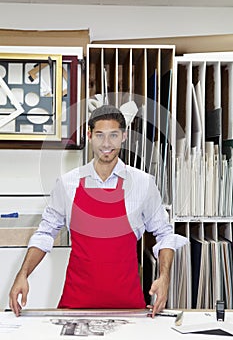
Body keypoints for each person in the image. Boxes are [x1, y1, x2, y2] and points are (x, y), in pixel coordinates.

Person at [9, 104, 188, 317]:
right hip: (75, 307)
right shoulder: (67, 184)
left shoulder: (143, 184)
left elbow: (165, 234)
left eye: (113, 135)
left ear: (124, 136)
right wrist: (23, 274)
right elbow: (45, 233)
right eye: (100, 135)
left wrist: (164, 277)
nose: (106, 143)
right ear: (90, 135)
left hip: (129, 309)